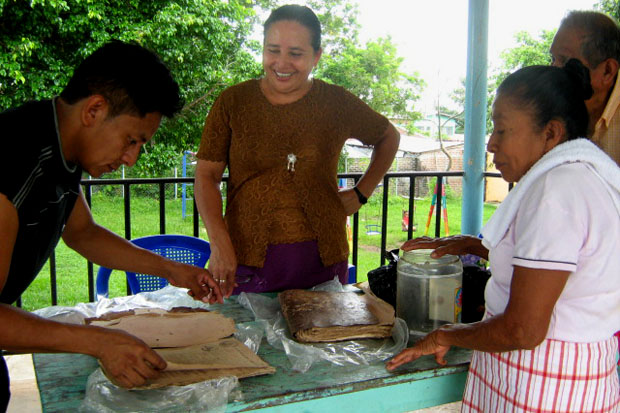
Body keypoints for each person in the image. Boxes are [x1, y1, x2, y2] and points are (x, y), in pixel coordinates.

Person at [0, 40, 224, 408]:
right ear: (95, 109)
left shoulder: (59, 146)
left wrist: (172, 270)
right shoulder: (15, 160)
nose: (131, 159)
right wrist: (100, 342)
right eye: (131, 140)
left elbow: (83, 233)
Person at [386, 59, 620, 412]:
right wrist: (473, 245)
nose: (491, 144)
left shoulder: (558, 190)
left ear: (551, 133)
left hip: (546, 385)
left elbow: (522, 330)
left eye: (502, 130)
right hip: (560, 377)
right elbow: (560, 266)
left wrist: (445, 333)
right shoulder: (582, 178)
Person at [194, 4, 399, 296]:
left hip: (323, 257)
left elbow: (388, 136)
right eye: (273, 50)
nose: (282, 62)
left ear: (316, 55)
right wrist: (219, 243)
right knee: (246, 339)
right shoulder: (234, 102)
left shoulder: (335, 102)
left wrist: (361, 192)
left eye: (296, 53)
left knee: (318, 339)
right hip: (244, 255)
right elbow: (206, 176)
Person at [550, 10, 620, 164]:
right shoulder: (550, 110)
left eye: (563, 60)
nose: (553, 70)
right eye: (552, 59)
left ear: (607, 71)